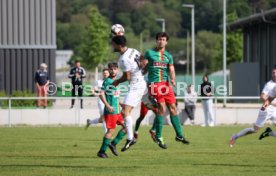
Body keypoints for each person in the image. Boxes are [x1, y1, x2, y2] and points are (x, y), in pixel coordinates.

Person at [142, 32, 190, 149]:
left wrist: (173, 79)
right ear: (156, 40)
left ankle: (179, 135)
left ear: (166, 42)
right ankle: (158, 136)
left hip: (166, 84)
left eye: (163, 39)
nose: (161, 41)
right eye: (159, 39)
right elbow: (142, 65)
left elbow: (172, 69)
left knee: (173, 108)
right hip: (154, 84)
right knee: (162, 108)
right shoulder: (149, 53)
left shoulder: (168, 56)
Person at [111, 35, 148, 152]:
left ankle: (131, 138)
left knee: (125, 112)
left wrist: (116, 81)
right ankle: (114, 143)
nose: (112, 45)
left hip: (136, 85)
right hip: (140, 82)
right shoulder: (133, 50)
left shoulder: (123, 60)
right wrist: (142, 68)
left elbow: (127, 77)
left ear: (119, 45)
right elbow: (144, 60)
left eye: (113, 44)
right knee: (127, 115)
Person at [230, 68, 276, 147]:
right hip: (266, 110)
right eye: (273, 73)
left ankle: (269, 133)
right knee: (255, 130)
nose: (275, 74)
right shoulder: (270, 85)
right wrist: (272, 104)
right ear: (272, 74)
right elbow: (262, 97)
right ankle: (235, 136)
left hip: (274, 110)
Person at [97, 62, 127, 158]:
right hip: (111, 112)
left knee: (126, 127)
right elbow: (101, 94)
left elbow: (115, 96)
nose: (113, 71)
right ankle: (101, 152)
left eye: (115, 69)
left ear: (117, 70)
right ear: (109, 70)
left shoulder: (116, 81)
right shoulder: (108, 81)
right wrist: (108, 106)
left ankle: (113, 144)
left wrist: (120, 104)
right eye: (111, 69)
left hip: (117, 111)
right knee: (110, 131)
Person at [85, 68, 110, 132]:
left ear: (109, 74)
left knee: (102, 119)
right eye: (104, 73)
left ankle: (90, 122)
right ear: (102, 74)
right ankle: (106, 134)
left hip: (109, 101)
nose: (105, 74)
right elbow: (92, 90)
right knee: (104, 117)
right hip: (101, 101)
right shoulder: (98, 82)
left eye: (106, 73)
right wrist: (97, 94)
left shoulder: (111, 82)